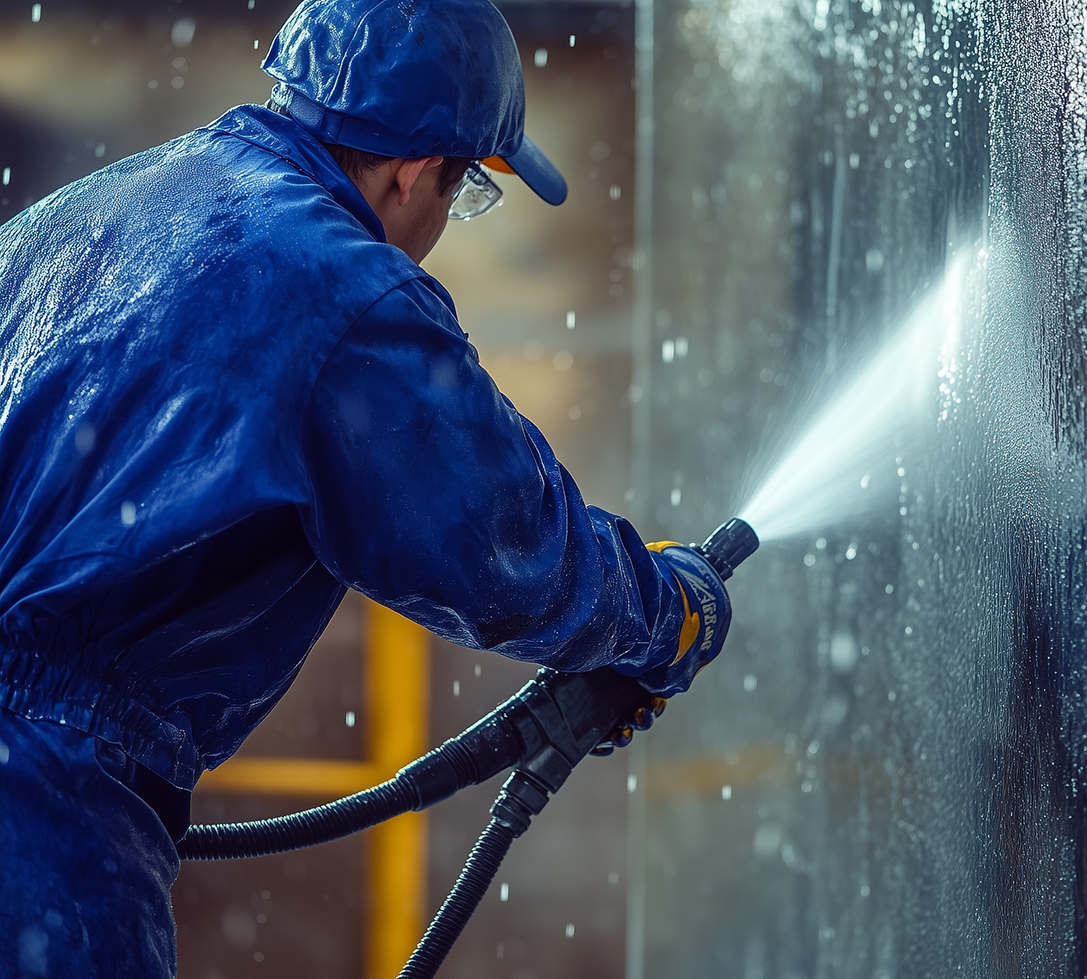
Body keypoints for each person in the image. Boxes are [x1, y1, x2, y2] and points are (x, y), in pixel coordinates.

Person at [0, 0, 731, 974]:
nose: (441, 220)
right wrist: (665, 615)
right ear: (416, 169)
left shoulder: (76, 215)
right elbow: (507, 545)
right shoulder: (343, 292)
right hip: (45, 827)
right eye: (466, 189)